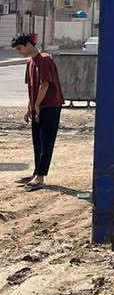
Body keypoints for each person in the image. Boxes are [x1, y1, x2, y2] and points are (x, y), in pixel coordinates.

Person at [11, 32, 65, 190]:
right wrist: (30, 107)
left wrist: (37, 104)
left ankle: (40, 177)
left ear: (28, 44)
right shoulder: (30, 62)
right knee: (37, 141)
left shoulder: (45, 59)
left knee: (46, 141)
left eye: (20, 48)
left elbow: (45, 84)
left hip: (50, 106)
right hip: (38, 106)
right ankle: (36, 173)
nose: (19, 52)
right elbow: (32, 87)